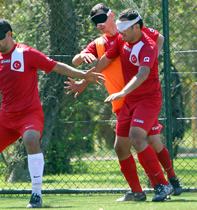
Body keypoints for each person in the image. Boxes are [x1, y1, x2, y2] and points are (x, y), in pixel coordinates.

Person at [0, 18, 105, 210]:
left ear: (9, 34)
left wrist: (82, 75)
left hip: (30, 114)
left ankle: (36, 195)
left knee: (31, 139)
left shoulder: (27, 53)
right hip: (6, 118)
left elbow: (55, 65)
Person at [66, 5, 182, 202]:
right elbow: (103, 61)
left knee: (142, 139)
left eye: (124, 29)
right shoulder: (120, 38)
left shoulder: (148, 45)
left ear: (136, 28)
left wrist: (123, 91)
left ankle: (164, 184)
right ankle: (137, 192)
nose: (120, 33)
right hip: (127, 100)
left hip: (147, 100)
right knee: (120, 146)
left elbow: (143, 74)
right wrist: (84, 80)